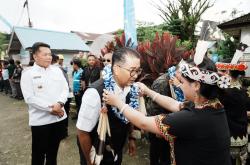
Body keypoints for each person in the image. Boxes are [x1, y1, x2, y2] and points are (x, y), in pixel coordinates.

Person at [103, 57, 231, 165]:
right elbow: (175, 104)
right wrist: (148, 91)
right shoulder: (213, 105)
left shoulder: (192, 118)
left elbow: (143, 122)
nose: (180, 86)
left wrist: (117, 102)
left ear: (196, 85)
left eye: (182, 82)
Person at [77, 47, 142, 165]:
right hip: (98, 153)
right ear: (116, 69)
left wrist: (131, 138)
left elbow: (129, 116)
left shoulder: (132, 89)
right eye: (132, 70)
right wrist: (89, 161)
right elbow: (82, 132)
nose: (136, 75)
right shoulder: (95, 93)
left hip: (117, 149)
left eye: (138, 70)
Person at [21, 42, 69, 165]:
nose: (49, 57)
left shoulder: (57, 70)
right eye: (45, 54)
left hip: (58, 119)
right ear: (35, 56)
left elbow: (65, 89)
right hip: (41, 122)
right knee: (38, 155)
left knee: (53, 154)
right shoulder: (28, 74)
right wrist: (51, 108)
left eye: (50, 54)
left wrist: (60, 103)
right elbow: (30, 98)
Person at [216, 60, 249, 165]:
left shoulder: (226, 93)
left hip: (230, 135)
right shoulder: (243, 91)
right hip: (243, 134)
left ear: (227, 73)